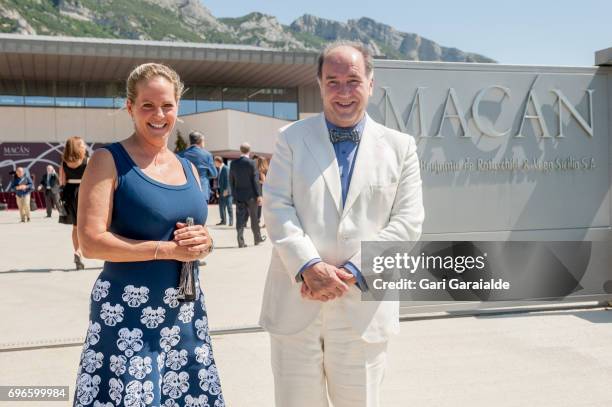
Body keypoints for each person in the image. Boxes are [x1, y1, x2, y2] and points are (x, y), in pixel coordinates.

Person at [260, 41, 425, 407]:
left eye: (352, 80)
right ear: (319, 84)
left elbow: (408, 222)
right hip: (296, 304)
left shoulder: (401, 147)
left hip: (362, 310)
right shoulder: (291, 138)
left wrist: (350, 271)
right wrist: (309, 266)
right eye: (332, 81)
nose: (343, 92)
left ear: (371, 83)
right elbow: (276, 205)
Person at [72, 63, 224, 406]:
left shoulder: (188, 167)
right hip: (126, 312)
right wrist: (166, 250)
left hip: (185, 311)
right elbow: (90, 242)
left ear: (178, 108)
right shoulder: (108, 160)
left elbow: (199, 230)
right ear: (130, 107)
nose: (159, 114)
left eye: (167, 105)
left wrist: (207, 242)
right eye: (148, 106)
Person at [229, 142, 266, 248]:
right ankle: (257, 239)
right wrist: (259, 195)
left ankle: (240, 241)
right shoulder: (252, 163)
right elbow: (255, 180)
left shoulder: (233, 163)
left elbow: (231, 180)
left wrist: (234, 194)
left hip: (239, 196)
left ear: (240, 150)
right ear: (249, 151)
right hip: (251, 196)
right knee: (254, 218)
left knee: (240, 218)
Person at [59, 136, 88, 270]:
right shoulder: (86, 160)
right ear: (78, 146)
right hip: (84, 192)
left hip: (69, 194)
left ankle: (77, 251)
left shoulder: (64, 162)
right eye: (82, 144)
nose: (84, 145)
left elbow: (62, 181)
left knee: (75, 227)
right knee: (87, 225)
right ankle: (81, 251)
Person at [180, 131, 217, 205]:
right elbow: (214, 174)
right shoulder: (207, 155)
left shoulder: (180, 155)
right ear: (200, 141)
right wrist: (205, 175)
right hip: (202, 192)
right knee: (201, 216)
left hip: (186, 192)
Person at [214, 156, 233, 226]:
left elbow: (228, 180)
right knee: (221, 207)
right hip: (221, 191)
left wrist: (226, 191)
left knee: (229, 207)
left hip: (227, 192)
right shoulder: (220, 169)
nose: (214, 164)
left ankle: (231, 222)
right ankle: (223, 221)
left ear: (218, 162)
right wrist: (218, 191)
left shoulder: (226, 168)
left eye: (215, 162)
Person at [254, 155, 269, 228]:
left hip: (262, 191)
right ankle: (266, 223)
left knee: (260, 207)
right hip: (267, 191)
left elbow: (264, 181)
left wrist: (257, 181)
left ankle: (260, 223)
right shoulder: (267, 170)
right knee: (266, 208)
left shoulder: (260, 171)